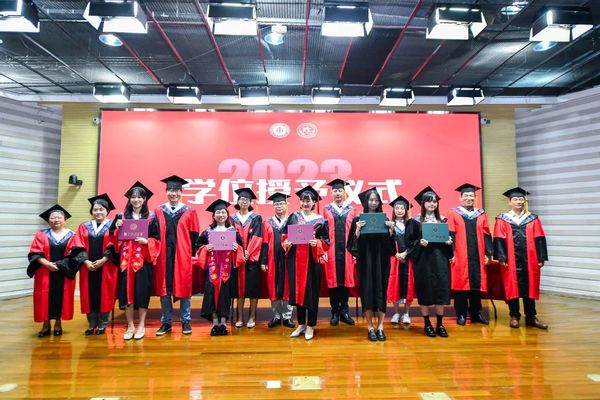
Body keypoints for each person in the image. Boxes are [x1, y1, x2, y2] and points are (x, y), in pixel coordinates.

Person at [494, 187, 548, 330]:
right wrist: (501, 257)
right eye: (515, 199)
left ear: (524, 201)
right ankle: (514, 316)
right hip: (510, 260)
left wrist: (541, 257)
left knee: (530, 287)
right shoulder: (502, 219)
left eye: (521, 199)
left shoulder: (533, 219)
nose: (519, 201)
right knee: (512, 286)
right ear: (509, 202)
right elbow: (499, 238)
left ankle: (531, 317)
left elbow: (539, 238)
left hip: (530, 259)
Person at [153, 175, 199, 336]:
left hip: (182, 254)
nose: (173, 193)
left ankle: (185, 320)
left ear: (181, 192)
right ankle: (166, 322)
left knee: (184, 285)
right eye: (170, 190)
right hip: (164, 253)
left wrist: (192, 255)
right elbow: (154, 233)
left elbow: (194, 234)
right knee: (164, 287)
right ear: (166, 192)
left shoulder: (190, 211)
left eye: (177, 190)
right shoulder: (159, 210)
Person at [113, 181, 160, 340]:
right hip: (125, 261)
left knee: (142, 292)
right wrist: (117, 228)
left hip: (142, 261)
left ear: (145, 199)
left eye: (140, 197)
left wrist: (147, 242)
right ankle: (130, 325)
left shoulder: (151, 217)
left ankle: (141, 325)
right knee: (126, 293)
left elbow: (157, 239)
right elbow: (113, 240)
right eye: (133, 197)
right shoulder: (121, 216)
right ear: (129, 199)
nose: (136, 200)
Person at [347, 188, 396, 341]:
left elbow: (391, 249)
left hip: (381, 261)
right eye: (371, 200)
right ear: (366, 202)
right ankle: (370, 327)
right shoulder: (358, 220)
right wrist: (357, 231)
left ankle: (380, 327)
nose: (373, 203)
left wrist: (391, 231)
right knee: (367, 292)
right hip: (365, 262)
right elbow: (351, 247)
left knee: (381, 291)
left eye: (376, 200)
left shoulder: (385, 219)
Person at [27, 205, 83, 337]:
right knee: (43, 297)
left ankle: (58, 323)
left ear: (65, 219)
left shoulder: (72, 235)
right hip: (44, 271)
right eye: (53, 218)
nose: (56, 220)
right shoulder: (41, 234)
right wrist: (47, 264)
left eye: (59, 217)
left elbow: (75, 254)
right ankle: (45, 324)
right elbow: (35, 252)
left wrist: (59, 265)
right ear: (48, 220)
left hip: (64, 271)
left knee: (62, 297)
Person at [405, 187, 453, 338]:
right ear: (423, 203)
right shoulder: (414, 221)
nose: (432, 204)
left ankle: (440, 324)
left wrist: (449, 242)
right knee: (425, 291)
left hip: (440, 261)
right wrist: (419, 243)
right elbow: (409, 243)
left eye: (435, 202)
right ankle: (427, 323)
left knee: (441, 291)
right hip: (423, 262)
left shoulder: (442, 221)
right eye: (429, 201)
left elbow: (449, 243)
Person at [283, 185, 329, 340]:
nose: (305, 203)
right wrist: (287, 243)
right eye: (303, 200)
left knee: (312, 293)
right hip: (295, 261)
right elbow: (285, 236)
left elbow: (327, 242)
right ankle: (301, 324)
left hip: (312, 261)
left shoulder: (320, 221)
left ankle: (311, 325)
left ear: (314, 202)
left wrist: (318, 243)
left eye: (308, 200)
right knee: (298, 292)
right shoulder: (293, 217)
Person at [195, 199, 244, 336]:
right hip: (212, 271)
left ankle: (223, 323)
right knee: (211, 295)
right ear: (214, 215)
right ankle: (215, 324)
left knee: (225, 296)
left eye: (223, 212)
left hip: (228, 271)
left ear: (227, 214)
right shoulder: (207, 232)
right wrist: (206, 248)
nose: (221, 215)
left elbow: (241, 248)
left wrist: (237, 247)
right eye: (218, 212)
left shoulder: (233, 231)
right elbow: (197, 247)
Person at [73, 194, 119, 336]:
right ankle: (92, 323)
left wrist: (104, 260)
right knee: (88, 294)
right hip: (88, 267)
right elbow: (77, 245)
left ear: (107, 211)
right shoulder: (83, 226)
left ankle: (103, 323)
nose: (98, 212)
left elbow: (115, 245)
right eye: (95, 209)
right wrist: (86, 261)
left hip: (106, 266)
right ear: (91, 211)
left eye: (101, 209)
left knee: (106, 293)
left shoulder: (113, 226)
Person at [448, 183, 493, 326]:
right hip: (460, 255)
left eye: (471, 196)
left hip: (478, 254)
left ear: (475, 197)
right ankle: (461, 314)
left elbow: (486, 233)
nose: (469, 198)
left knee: (476, 286)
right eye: (466, 196)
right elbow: (450, 234)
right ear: (461, 198)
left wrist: (488, 253)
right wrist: (451, 253)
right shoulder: (454, 213)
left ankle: (476, 314)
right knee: (461, 285)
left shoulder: (481, 213)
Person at [323, 178, 357, 326]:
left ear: (344, 193)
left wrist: (355, 251)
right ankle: (335, 312)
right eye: (335, 191)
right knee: (333, 282)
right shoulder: (326, 209)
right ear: (331, 193)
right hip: (331, 251)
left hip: (347, 251)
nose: (337, 193)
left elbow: (355, 232)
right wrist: (323, 249)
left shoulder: (351, 210)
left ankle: (345, 311)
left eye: (340, 191)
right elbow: (323, 232)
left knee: (345, 282)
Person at [260, 192, 295, 328]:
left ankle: (287, 316)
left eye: (281, 203)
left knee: (287, 286)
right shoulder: (267, 223)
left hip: (288, 259)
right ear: (273, 206)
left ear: (286, 205)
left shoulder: (292, 221)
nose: (279, 206)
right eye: (276, 204)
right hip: (272, 259)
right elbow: (264, 243)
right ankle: (276, 315)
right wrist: (263, 261)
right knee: (273, 286)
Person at [230, 188, 264, 329]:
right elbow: (230, 236)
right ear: (238, 201)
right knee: (238, 289)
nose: (244, 201)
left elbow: (257, 237)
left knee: (253, 288)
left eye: (247, 200)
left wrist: (247, 252)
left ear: (250, 202)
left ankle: (252, 316)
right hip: (236, 259)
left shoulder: (256, 218)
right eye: (242, 199)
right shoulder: (232, 218)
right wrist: (239, 253)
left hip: (251, 260)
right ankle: (239, 317)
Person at [386, 196, 415, 327]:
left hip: (408, 258)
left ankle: (406, 313)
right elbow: (386, 241)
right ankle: (396, 313)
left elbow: (414, 242)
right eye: (397, 208)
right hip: (394, 258)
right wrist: (396, 254)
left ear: (406, 210)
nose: (399, 210)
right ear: (393, 210)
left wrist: (405, 253)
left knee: (408, 284)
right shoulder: (389, 224)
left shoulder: (411, 224)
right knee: (394, 284)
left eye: (402, 208)